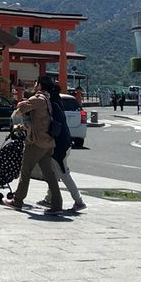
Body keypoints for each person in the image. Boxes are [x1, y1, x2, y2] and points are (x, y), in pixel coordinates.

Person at [5, 76, 61, 212]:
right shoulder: (49, 99)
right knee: (50, 175)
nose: (35, 85)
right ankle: (57, 204)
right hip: (48, 142)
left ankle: (17, 200)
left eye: (36, 83)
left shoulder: (39, 99)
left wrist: (25, 100)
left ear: (40, 86)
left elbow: (21, 107)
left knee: (26, 171)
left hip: (36, 142)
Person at [38, 80, 86, 212]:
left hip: (60, 146)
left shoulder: (51, 104)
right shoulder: (56, 102)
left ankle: (79, 201)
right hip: (64, 143)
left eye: (38, 85)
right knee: (54, 173)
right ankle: (49, 198)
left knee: (64, 174)